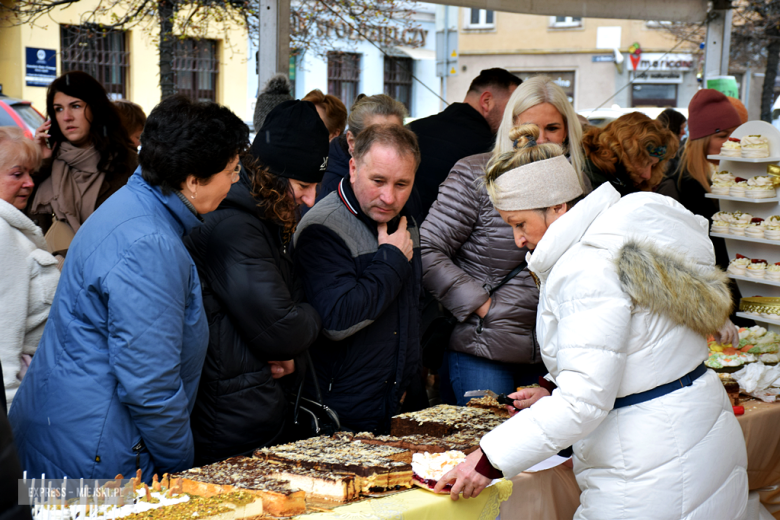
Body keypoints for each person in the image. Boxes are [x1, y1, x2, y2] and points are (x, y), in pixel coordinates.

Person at [436, 124, 748, 520]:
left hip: (648, 463)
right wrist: (555, 383)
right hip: (690, 433)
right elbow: (637, 339)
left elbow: (583, 402)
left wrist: (489, 458)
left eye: (519, 224)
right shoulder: (618, 233)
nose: (517, 239)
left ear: (557, 208)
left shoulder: (585, 266)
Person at [9, 95, 249, 480]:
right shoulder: (149, 244)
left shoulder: (133, 205)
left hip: (70, 432)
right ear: (191, 180)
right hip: (97, 456)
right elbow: (150, 385)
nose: (235, 182)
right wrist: (178, 468)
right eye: (232, 171)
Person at [422, 76, 584, 404]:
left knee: (544, 455)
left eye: (552, 128)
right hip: (482, 352)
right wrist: (484, 307)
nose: (540, 139)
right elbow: (426, 249)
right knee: (486, 448)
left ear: (567, 131)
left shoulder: (575, 185)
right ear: (511, 127)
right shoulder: (474, 176)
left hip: (552, 357)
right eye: (529, 128)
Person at [184, 100, 326, 465]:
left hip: (245, 406)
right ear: (273, 175)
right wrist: (312, 312)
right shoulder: (235, 225)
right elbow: (283, 330)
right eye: (303, 185)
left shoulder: (260, 216)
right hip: (227, 422)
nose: (310, 199)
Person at [294, 124, 422, 434]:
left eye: (402, 184)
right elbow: (337, 320)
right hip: (340, 413)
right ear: (353, 168)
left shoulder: (405, 221)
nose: (389, 196)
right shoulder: (322, 228)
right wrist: (390, 260)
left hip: (395, 404)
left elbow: (410, 308)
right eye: (377, 181)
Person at [29, 71, 137, 235]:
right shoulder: (46, 165)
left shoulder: (129, 164)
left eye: (76, 106)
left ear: (95, 108)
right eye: (58, 109)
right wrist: (41, 161)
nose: (66, 117)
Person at [408, 68, 521, 221]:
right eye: (511, 110)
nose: (514, 120)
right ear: (486, 101)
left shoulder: (412, 130)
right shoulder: (491, 149)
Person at [0, 127, 60, 407]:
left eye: (30, 174)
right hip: (21, 393)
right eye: (16, 174)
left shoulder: (12, 226)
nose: (29, 183)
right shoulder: (2, 233)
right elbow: (4, 333)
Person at [315, 94, 408, 205]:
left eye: (396, 139)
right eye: (375, 140)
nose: (389, 198)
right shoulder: (325, 189)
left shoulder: (405, 179)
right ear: (351, 142)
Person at [582, 112, 678, 196]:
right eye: (644, 163)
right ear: (624, 152)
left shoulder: (624, 181)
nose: (647, 175)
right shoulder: (590, 176)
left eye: (653, 166)